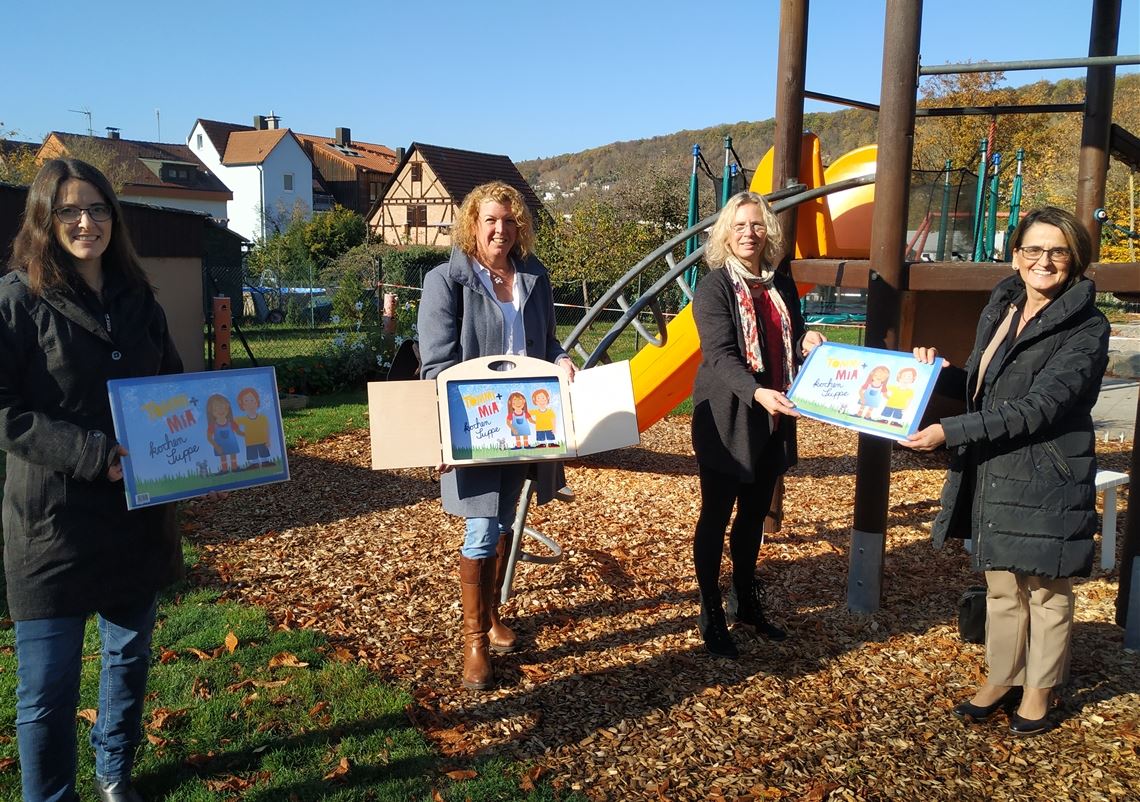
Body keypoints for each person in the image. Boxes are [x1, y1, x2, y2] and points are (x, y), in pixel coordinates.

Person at [0, 159, 184, 800]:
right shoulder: (17, 301)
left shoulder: (140, 298)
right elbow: (6, 412)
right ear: (45, 220)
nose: (86, 222)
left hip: (135, 518)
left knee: (127, 661)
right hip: (53, 526)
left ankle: (114, 775)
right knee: (47, 691)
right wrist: (91, 453)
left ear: (115, 217)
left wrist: (211, 447)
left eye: (99, 208)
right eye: (70, 211)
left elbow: (171, 388)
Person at [901, 206, 1109, 737]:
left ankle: (1039, 687)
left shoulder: (1087, 325)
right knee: (1001, 587)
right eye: (1034, 249)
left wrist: (952, 431)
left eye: (1057, 251)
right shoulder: (1003, 305)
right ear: (1015, 255)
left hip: (1048, 472)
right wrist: (941, 376)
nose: (1044, 260)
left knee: (1045, 589)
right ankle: (1002, 676)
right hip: (996, 467)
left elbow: (1042, 406)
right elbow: (987, 388)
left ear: (1075, 260)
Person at [417, 181, 575, 690]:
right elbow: (435, 366)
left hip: (525, 425)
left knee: (505, 521)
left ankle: (489, 617)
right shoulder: (447, 281)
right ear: (473, 224)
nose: (501, 230)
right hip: (476, 425)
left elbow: (547, 342)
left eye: (509, 221)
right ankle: (474, 643)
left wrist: (563, 360)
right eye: (491, 221)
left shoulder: (534, 276)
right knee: (482, 527)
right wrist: (446, 434)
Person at [690, 191, 826, 658]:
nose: (749, 233)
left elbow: (791, 331)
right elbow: (720, 355)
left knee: (752, 517)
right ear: (725, 233)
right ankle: (710, 610)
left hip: (773, 415)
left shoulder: (778, 282)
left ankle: (745, 600)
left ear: (768, 231)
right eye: (740, 225)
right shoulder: (714, 288)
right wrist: (755, 391)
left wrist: (806, 338)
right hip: (729, 416)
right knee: (717, 514)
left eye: (757, 225)